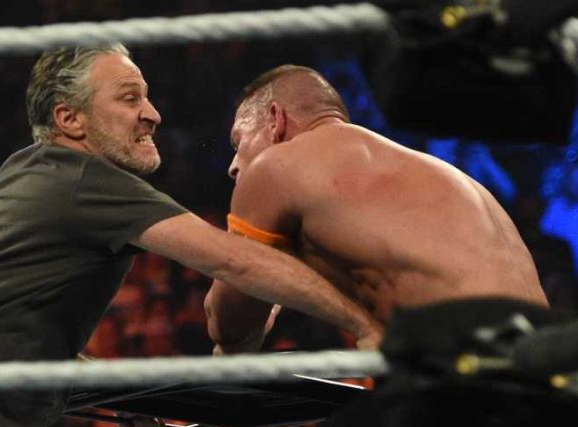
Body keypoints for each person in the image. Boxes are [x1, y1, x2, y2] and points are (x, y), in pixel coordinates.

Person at [0, 46, 381, 427]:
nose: (152, 114)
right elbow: (237, 263)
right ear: (70, 120)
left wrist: (141, 395)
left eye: (147, 97)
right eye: (130, 98)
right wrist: (361, 321)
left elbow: (9, 335)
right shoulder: (85, 180)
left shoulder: (22, 172)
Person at [204, 64, 550, 355]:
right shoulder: (433, 174)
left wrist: (257, 309)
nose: (233, 166)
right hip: (549, 376)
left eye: (238, 141)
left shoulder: (276, 166)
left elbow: (227, 326)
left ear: (274, 119)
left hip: (469, 374)